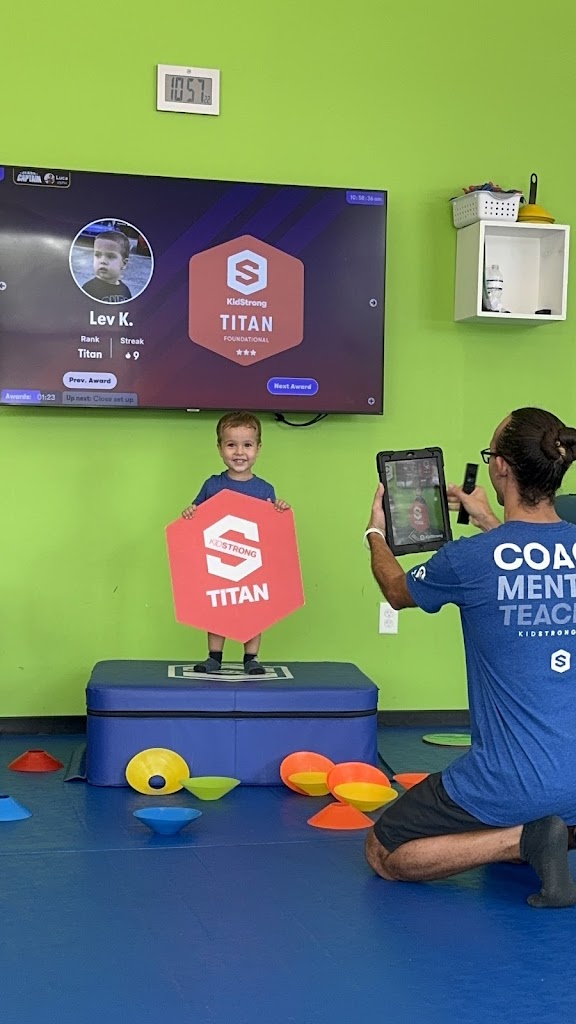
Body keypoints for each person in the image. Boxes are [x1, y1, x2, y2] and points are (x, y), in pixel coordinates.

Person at [364, 407, 576, 908]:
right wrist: (488, 520)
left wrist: (374, 533)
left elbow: (395, 589)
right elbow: (531, 557)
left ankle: (523, 839)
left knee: (382, 852)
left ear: (500, 467)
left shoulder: (468, 560)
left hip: (516, 783)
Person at [182, 410, 290, 675]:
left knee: (253, 609)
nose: (240, 452)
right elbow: (196, 517)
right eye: (231, 444)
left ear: (258, 448)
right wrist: (190, 512)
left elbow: (271, 528)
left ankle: (251, 658)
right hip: (219, 559)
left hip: (252, 561)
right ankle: (214, 657)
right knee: (217, 607)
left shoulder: (264, 489)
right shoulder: (212, 485)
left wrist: (279, 510)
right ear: (220, 448)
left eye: (247, 445)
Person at [82, 230, 132, 302]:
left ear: (124, 264)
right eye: (98, 255)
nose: (102, 261)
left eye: (110, 256)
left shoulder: (125, 290)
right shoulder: (88, 289)